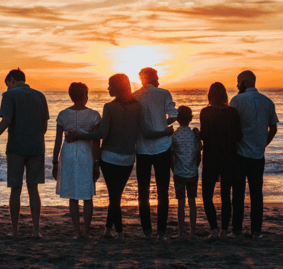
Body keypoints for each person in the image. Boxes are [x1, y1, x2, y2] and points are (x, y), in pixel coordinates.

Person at [66, 73, 172, 239]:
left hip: (109, 157)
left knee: (114, 197)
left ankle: (120, 233)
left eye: (110, 85)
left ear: (116, 87)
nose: (108, 88)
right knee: (115, 196)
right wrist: (164, 131)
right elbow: (146, 132)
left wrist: (79, 135)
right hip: (128, 158)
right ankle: (108, 230)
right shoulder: (137, 106)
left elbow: (101, 133)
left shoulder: (109, 107)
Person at [0, 69, 49, 238]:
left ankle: (15, 230)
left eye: (7, 84)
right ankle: (36, 231)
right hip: (37, 147)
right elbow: (44, 127)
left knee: (15, 189)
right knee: (33, 189)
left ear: (12, 80)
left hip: (16, 147)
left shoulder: (9, 96)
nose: (8, 87)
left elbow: (6, 121)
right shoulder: (40, 96)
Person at [229, 70, 279, 239]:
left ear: (245, 81)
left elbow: (232, 128)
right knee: (257, 194)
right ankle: (256, 231)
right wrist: (263, 144)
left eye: (238, 81)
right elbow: (273, 129)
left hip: (240, 154)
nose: (237, 85)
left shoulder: (236, 101)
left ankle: (237, 230)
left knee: (238, 194)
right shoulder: (268, 102)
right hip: (258, 154)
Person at [51, 82, 101, 239]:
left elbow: (58, 141)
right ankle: (86, 231)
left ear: (71, 96)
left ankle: (76, 232)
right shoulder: (94, 115)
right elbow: (96, 142)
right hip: (86, 153)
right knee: (87, 195)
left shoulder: (63, 115)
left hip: (69, 153)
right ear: (85, 95)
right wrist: (96, 163)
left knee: (73, 195)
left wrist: (54, 162)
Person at [133, 67, 178, 239]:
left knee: (143, 190)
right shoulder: (164, 93)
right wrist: (162, 123)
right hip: (162, 148)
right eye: (157, 76)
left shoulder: (135, 96)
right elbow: (173, 116)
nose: (159, 79)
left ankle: (146, 231)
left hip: (142, 149)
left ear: (143, 79)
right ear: (153, 77)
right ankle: (161, 232)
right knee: (162, 191)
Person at [199, 82, 242, 239]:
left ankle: (214, 230)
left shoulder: (205, 112)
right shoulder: (232, 112)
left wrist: (198, 134)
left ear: (210, 95)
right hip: (230, 157)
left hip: (211, 157)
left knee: (207, 195)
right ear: (225, 95)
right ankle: (224, 231)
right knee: (226, 196)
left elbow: (204, 135)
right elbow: (239, 136)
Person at [170, 106, 201, 239]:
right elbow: (199, 154)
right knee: (192, 202)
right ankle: (193, 232)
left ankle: (181, 232)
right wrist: (195, 166)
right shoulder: (194, 134)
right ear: (190, 118)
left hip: (179, 173)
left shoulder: (174, 135)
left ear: (177, 119)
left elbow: (171, 156)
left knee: (181, 203)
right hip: (192, 172)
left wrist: (174, 169)